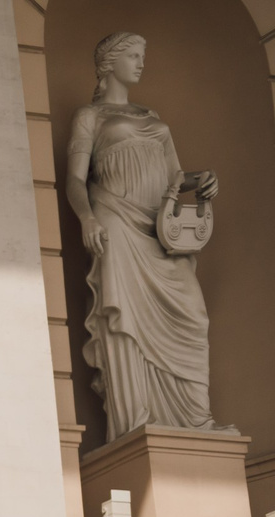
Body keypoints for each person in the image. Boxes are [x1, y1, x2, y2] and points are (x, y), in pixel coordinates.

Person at [64, 30, 224, 441]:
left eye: (142, 56)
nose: (140, 63)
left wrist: (199, 180)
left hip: (161, 231)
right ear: (109, 63)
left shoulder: (152, 116)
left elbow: (175, 176)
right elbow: (75, 180)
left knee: (193, 314)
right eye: (133, 55)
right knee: (124, 320)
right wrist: (86, 219)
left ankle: (195, 420)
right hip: (115, 222)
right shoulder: (90, 116)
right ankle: (134, 421)